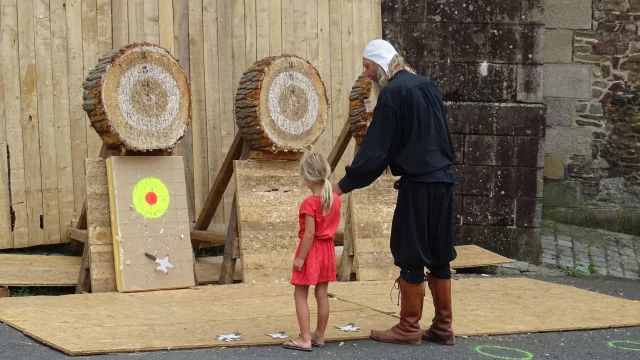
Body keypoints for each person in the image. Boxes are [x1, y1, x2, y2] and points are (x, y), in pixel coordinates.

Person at [332, 39, 459, 346]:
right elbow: (434, 137)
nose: (366, 75)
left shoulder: (392, 93)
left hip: (421, 185)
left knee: (411, 252)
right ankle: (443, 326)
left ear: (380, 63)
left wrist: (342, 186)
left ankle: (408, 327)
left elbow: (377, 151)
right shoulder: (428, 86)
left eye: (367, 67)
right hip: (443, 180)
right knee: (439, 254)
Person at [282, 153, 342, 352]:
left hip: (312, 251)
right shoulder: (334, 199)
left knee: (300, 294)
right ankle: (320, 335)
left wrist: (300, 258)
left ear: (307, 178)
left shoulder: (309, 203)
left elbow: (309, 233)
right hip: (328, 250)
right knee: (322, 294)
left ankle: (305, 339)